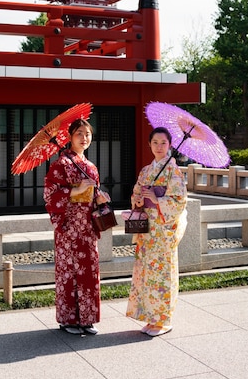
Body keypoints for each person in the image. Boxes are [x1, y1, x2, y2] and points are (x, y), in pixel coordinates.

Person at [44, 118, 111, 335]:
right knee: (69, 273)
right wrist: (76, 190)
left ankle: (87, 319)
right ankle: (68, 320)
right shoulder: (60, 165)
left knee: (89, 272)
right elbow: (50, 195)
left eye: (88, 134)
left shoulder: (91, 167)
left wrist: (99, 199)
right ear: (70, 137)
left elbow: (92, 197)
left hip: (87, 228)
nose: (84, 138)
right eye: (79, 134)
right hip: (69, 227)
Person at [126, 126, 187, 336]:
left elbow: (179, 201)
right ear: (149, 145)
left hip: (163, 229)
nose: (159, 147)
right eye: (155, 143)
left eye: (163, 143)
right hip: (147, 229)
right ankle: (151, 318)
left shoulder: (173, 171)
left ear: (169, 145)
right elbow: (136, 195)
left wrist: (157, 199)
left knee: (162, 274)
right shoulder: (146, 170)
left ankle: (163, 320)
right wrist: (139, 199)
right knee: (147, 273)